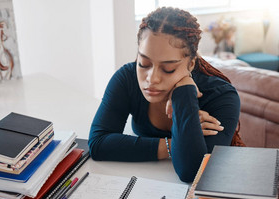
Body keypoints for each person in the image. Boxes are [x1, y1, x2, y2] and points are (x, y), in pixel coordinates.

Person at [88, 7, 244, 182]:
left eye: (168, 69)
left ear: (191, 64)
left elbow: (192, 170)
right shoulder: (127, 78)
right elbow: (98, 144)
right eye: (144, 63)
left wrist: (184, 92)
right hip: (146, 182)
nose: (152, 79)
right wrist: (175, 143)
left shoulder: (222, 97)